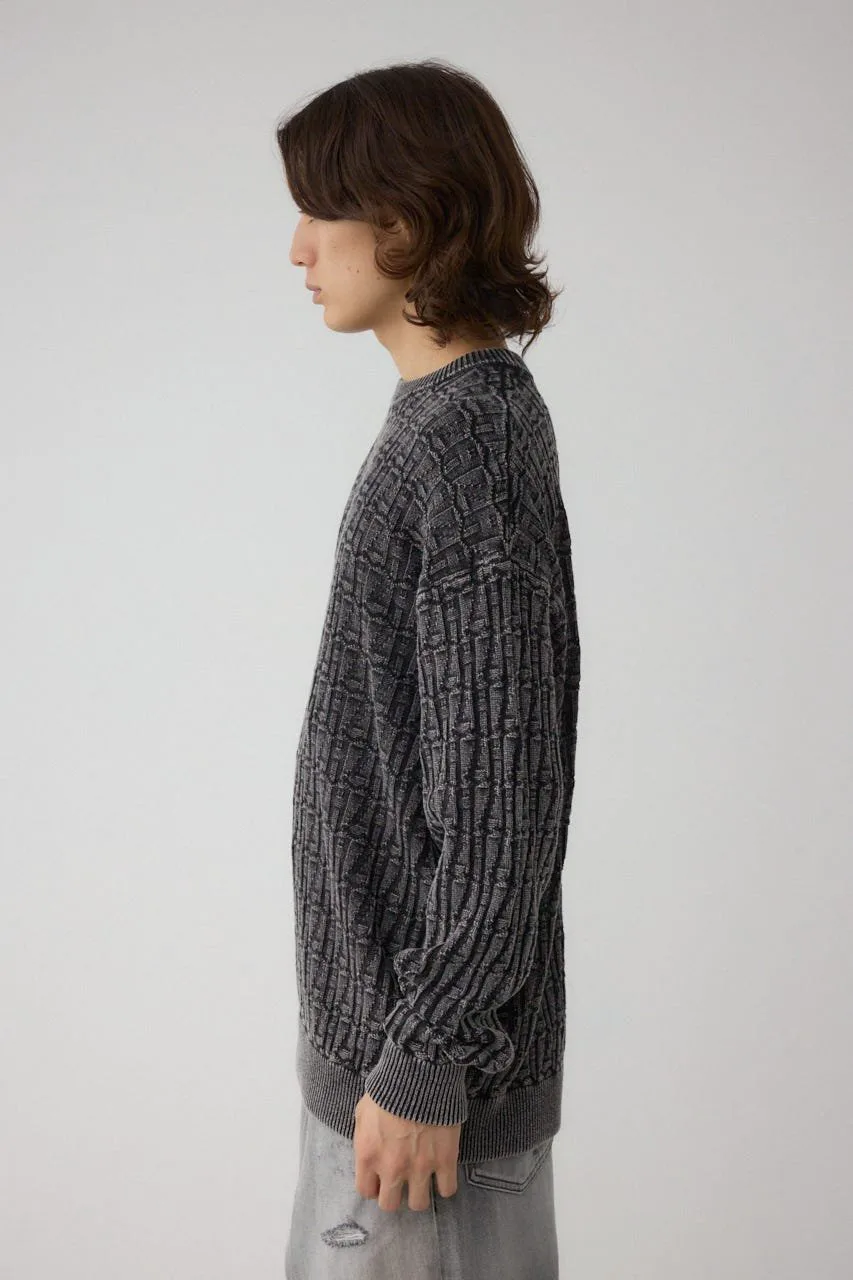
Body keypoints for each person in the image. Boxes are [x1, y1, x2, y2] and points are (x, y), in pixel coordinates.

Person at [276, 57, 581, 1280]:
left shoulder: (471, 444)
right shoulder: (443, 423)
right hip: (391, 1067)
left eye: (320, 210)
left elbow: (501, 792)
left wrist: (425, 1054)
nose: (299, 248)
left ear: (402, 222)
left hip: (421, 1094)